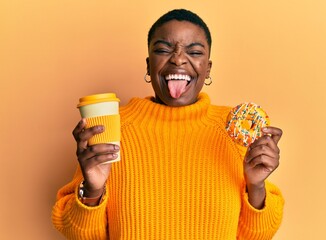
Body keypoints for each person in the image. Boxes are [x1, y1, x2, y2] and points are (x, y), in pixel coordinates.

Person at [52, 9, 284, 240]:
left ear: (208, 68)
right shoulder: (111, 129)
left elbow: (255, 236)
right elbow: (80, 235)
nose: (178, 59)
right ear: (148, 66)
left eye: (194, 52)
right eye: (163, 50)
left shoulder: (234, 133)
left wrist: (256, 186)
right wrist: (92, 189)